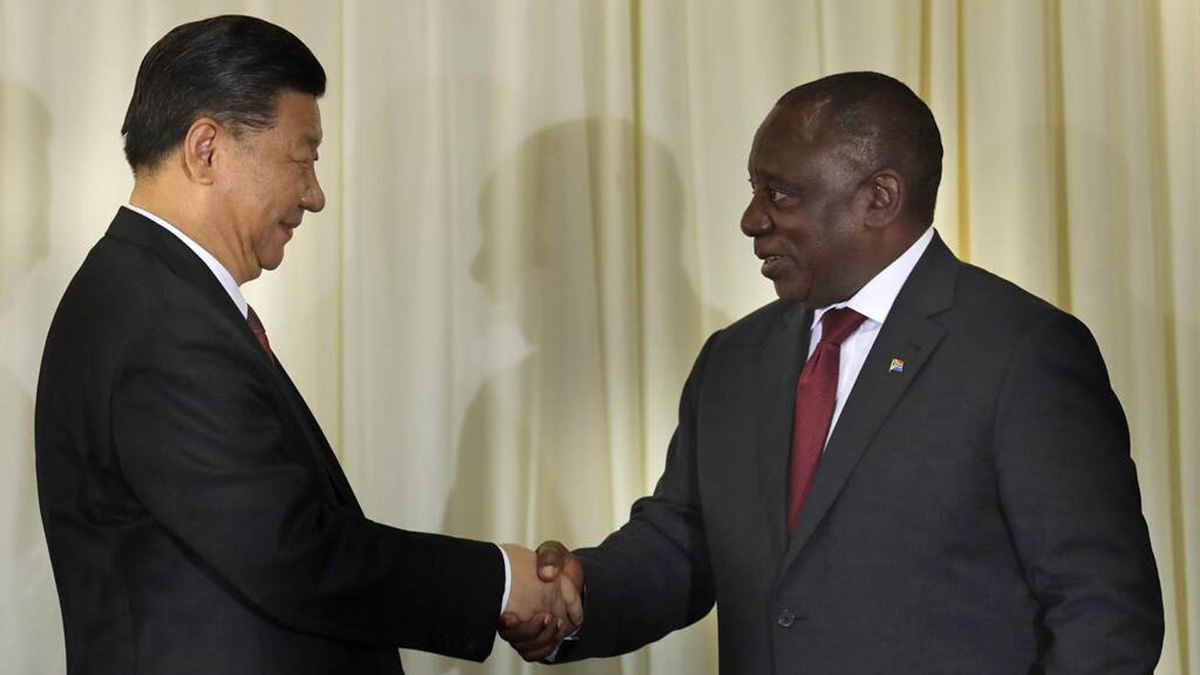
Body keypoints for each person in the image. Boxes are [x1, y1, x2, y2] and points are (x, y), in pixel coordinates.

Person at [499, 71, 1164, 673]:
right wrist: (578, 592)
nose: (751, 220)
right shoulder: (733, 359)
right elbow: (683, 544)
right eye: (754, 191)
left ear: (878, 198)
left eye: (778, 193)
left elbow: (1103, 610)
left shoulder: (1022, 351)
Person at [34, 15, 578, 675]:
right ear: (206, 149)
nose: (314, 196)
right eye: (304, 156)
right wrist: (497, 580)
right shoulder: (160, 320)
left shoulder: (155, 296)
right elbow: (287, 551)